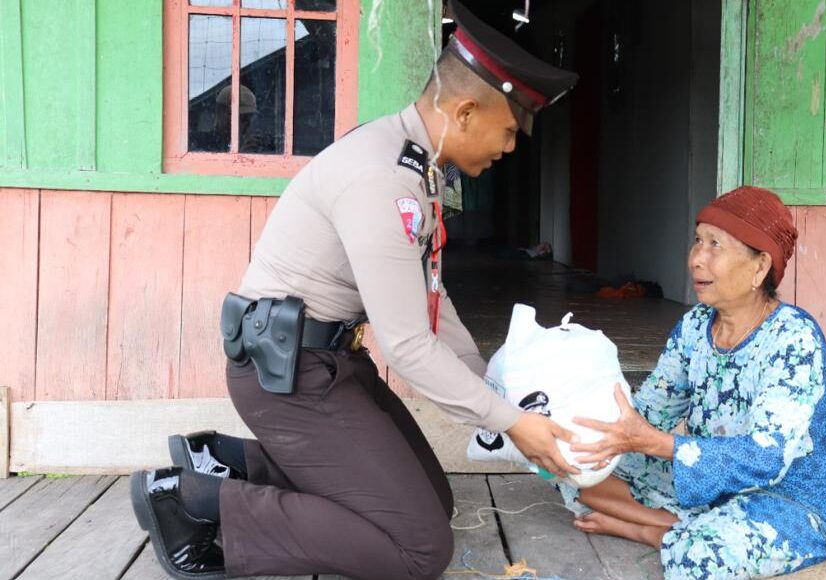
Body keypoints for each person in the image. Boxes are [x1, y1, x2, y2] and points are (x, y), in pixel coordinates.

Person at [129, 2, 579, 579]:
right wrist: (509, 422)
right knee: (420, 548)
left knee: (434, 504)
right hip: (287, 379)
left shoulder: (416, 163)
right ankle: (191, 499)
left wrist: (490, 389)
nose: (511, 148)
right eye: (510, 131)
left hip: (327, 365)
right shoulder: (384, 179)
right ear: (466, 111)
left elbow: (432, 300)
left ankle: (227, 459)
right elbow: (408, 346)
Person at [561, 186, 826, 579]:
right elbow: (651, 413)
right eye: (698, 241)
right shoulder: (695, 326)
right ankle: (681, 524)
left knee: (701, 556)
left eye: (715, 245)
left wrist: (657, 444)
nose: (696, 258)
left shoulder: (793, 339)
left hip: (786, 501)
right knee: (573, 468)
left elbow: (766, 457)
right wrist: (588, 435)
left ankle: (653, 531)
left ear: (760, 266)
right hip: (706, 485)